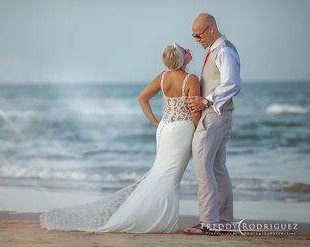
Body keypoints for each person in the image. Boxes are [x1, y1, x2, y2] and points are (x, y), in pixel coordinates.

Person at [39, 43, 201, 233]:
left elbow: (142, 98)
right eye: (186, 50)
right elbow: (195, 111)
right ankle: (160, 220)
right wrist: (199, 130)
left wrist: (156, 123)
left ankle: (155, 217)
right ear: (182, 58)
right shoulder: (191, 79)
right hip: (181, 130)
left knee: (160, 174)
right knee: (171, 177)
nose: (190, 51)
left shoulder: (163, 77)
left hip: (165, 129)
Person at [184, 13, 241, 234]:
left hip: (214, 115)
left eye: (198, 35)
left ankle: (209, 222)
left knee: (203, 167)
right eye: (193, 36)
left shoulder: (224, 50)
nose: (197, 40)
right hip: (221, 115)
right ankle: (224, 221)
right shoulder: (216, 50)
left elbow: (233, 84)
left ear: (211, 29)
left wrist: (206, 101)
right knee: (218, 168)